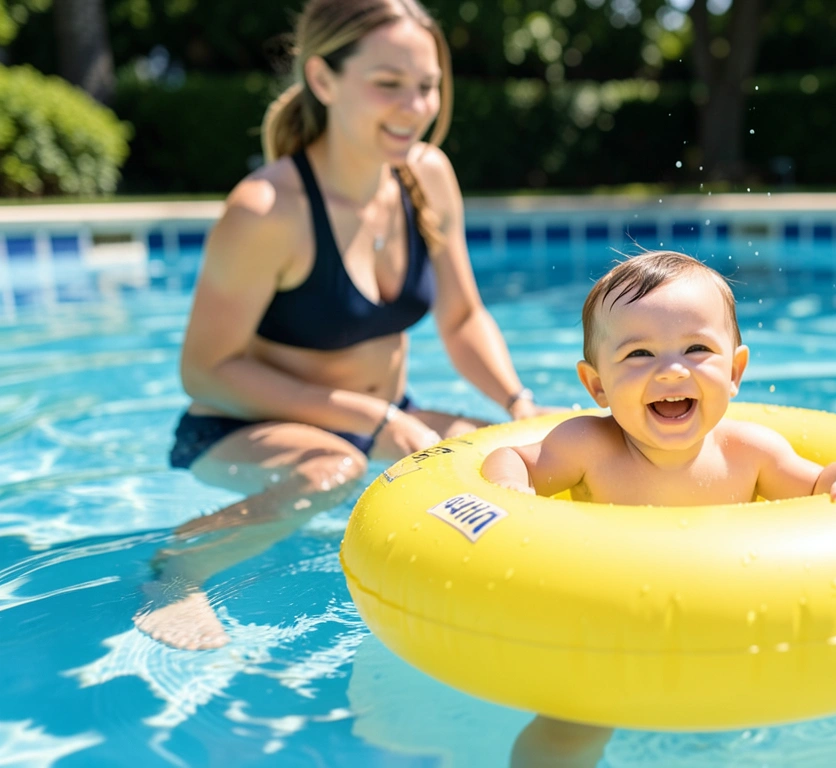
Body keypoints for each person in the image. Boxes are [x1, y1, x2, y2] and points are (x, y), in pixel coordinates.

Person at [138, 0, 547, 651]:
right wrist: (370, 420)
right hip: (242, 429)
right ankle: (181, 569)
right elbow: (206, 371)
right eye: (389, 84)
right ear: (324, 80)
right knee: (335, 466)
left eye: (427, 85)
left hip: (384, 417)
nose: (415, 107)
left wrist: (518, 402)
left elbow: (463, 315)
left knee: (516, 454)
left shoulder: (428, 177)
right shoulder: (268, 210)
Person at [483, 251, 836, 767]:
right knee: (565, 734)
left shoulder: (750, 452)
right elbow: (511, 458)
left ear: (735, 370)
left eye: (696, 349)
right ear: (597, 384)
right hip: (607, 636)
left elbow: (819, 484)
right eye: (639, 354)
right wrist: (512, 497)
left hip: (723, 634)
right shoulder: (588, 447)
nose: (671, 370)